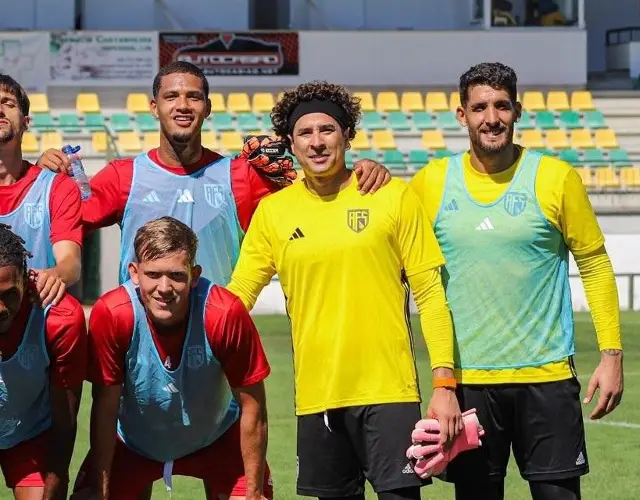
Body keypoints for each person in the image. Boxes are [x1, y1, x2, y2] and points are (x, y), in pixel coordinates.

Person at [227, 81, 463, 500]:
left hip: (390, 394)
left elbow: (430, 294)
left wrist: (444, 386)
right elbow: (239, 295)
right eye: (305, 133)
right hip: (318, 398)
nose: (317, 143)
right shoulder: (274, 213)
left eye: (327, 130)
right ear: (291, 144)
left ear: (347, 136)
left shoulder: (392, 196)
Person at [409, 62, 624, 500]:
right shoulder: (430, 183)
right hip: (468, 384)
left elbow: (595, 264)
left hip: (546, 377)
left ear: (518, 110)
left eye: (502, 106)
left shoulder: (556, 178)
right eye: (480, 107)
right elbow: (398, 265)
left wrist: (611, 355)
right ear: (461, 115)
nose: (492, 118)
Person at [36, 61, 391, 287]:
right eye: (171, 96)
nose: (182, 105)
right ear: (154, 107)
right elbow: (61, 221)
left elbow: (315, 202)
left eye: (193, 97)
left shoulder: (241, 175)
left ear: (207, 108)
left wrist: (355, 172)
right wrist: (41, 177)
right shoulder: (122, 176)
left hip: (217, 330)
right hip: (141, 333)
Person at [74, 216, 272, 500]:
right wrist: (100, 490)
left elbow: (253, 406)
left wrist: (253, 493)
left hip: (216, 438)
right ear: (134, 272)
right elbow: (105, 407)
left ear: (194, 274)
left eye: (177, 275)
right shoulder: (113, 313)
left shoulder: (223, 313)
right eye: (153, 274)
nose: (164, 288)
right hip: (133, 444)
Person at [0, 224, 87, 499]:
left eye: (8, 294)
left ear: (26, 281)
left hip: (29, 437)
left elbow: (65, 423)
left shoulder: (59, 318)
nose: (0, 308)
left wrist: (56, 482)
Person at [0, 73, 83, 307]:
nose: (0, 110)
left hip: (35, 315)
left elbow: (70, 263)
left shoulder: (57, 187)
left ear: (26, 122)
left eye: (9, 103)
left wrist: (54, 275)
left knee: (71, 313)